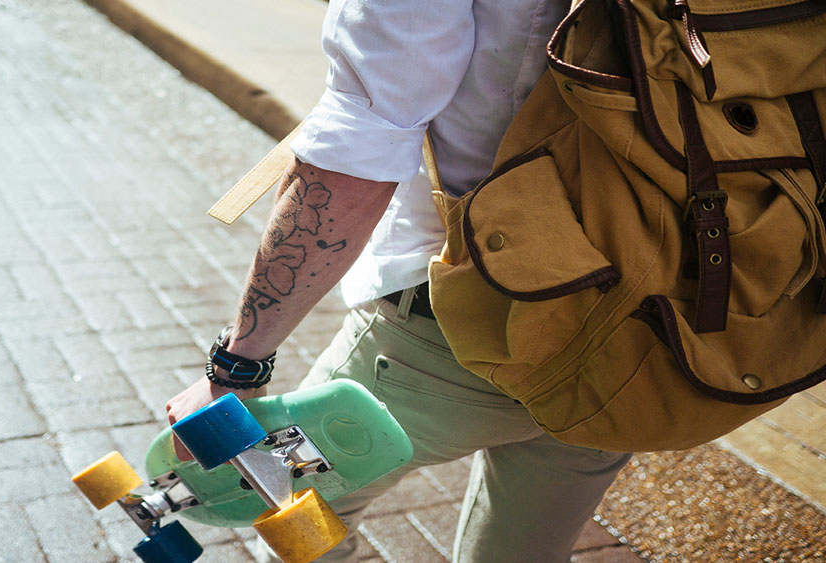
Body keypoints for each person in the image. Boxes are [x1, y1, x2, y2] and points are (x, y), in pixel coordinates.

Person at [165, 0, 632, 560]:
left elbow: (358, 150)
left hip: (453, 336)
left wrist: (235, 368)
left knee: (294, 516)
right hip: (653, 332)